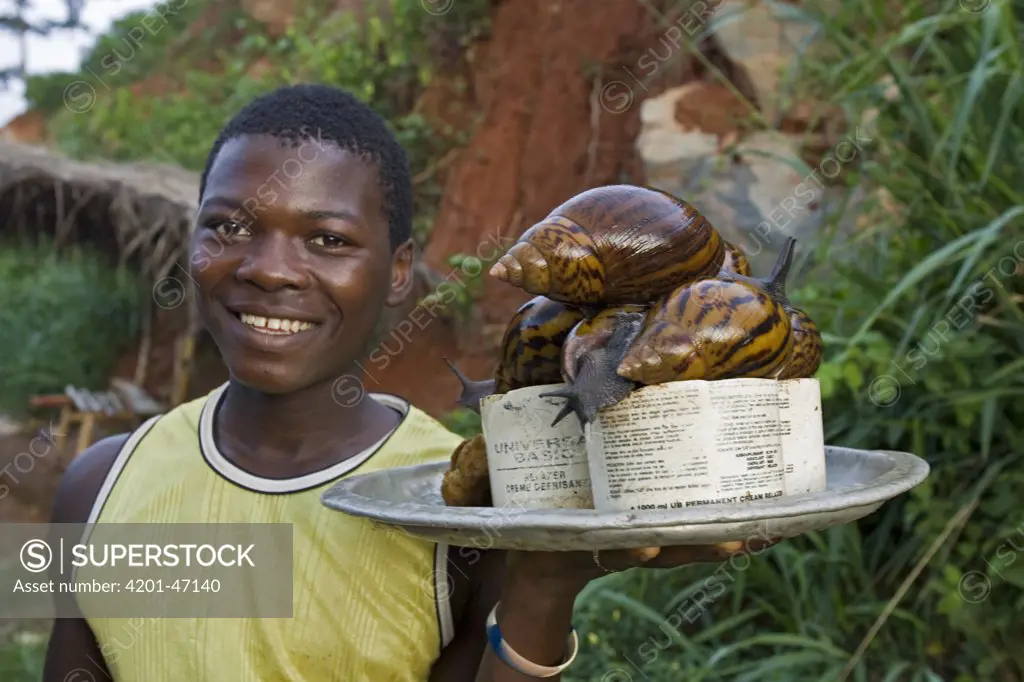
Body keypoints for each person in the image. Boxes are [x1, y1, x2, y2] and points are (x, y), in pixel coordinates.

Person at [42, 83, 778, 682]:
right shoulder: (98, 488)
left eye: (328, 239)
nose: (267, 267)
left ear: (397, 273)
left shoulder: (461, 507)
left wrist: (544, 586)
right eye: (230, 226)